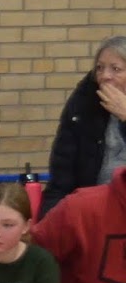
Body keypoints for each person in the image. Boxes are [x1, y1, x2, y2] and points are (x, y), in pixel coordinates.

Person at [39, 35, 126, 217]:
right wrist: (48, 220)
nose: (105, 76)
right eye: (100, 68)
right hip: (91, 210)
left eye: (116, 69)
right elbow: (62, 174)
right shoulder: (84, 104)